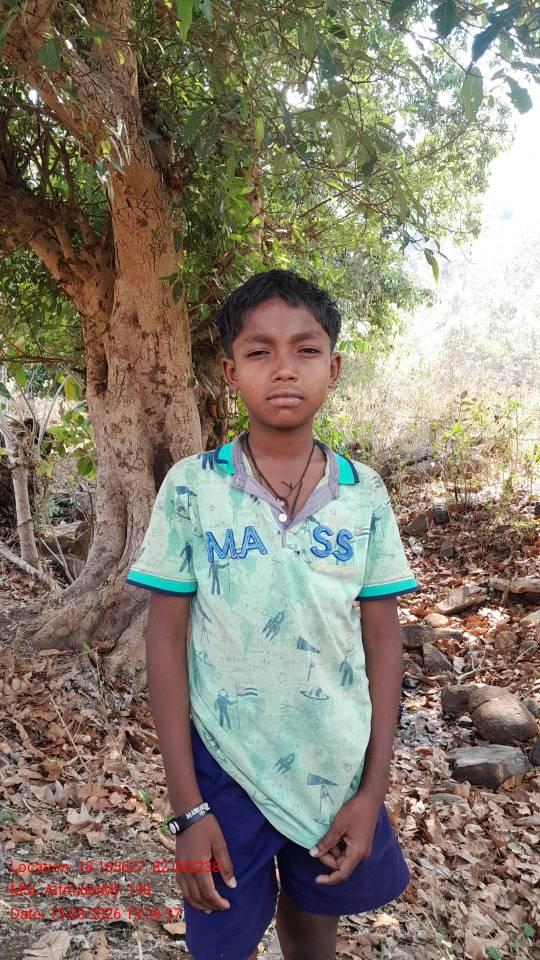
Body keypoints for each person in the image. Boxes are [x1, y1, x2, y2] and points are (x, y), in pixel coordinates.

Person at [126, 269, 419, 960]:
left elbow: (383, 642)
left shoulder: (364, 494)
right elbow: (165, 640)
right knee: (221, 937)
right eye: (260, 351)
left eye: (305, 349)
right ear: (231, 372)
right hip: (223, 767)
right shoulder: (192, 488)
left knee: (314, 924)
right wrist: (188, 808)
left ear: (333, 368)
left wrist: (372, 791)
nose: (284, 368)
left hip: (333, 765)